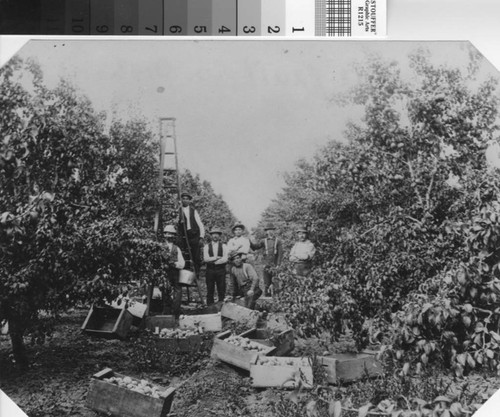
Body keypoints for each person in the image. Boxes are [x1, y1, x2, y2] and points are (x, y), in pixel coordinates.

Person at [251, 222, 283, 296]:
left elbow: (280, 254)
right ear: (266, 231)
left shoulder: (278, 241)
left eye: (271, 230)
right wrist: (249, 242)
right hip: (266, 264)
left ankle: (276, 298)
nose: (270, 231)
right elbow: (255, 247)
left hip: (274, 264)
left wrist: (278, 264)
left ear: (274, 231)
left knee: (275, 281)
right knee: (267, 282)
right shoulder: (263, 241)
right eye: (268, 230)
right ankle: (267, 298)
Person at [177, 192, 205, 275]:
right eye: (183, 199)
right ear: (181, 200)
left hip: (195, 235)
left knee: (196, 256)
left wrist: (201, 237)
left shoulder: (193, 211)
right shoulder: (179, 210)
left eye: (187, 199)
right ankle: (186, 274)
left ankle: (196, 274)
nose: (185, 200)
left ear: (189, 201)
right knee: (185, 255)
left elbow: (200, 224)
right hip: (184, 236)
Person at [162, 224, 186, 317]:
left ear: (174, 236)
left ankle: (176, 312)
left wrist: (174, 264)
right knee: (165, 291)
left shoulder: (177, 248)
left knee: (178, 291)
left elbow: (182, 263)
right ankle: (166, 312)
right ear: (164, 235)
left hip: (175, 272)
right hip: (165, 273)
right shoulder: (160, 247)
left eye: (171, 234)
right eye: (167, 234)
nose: (169, 236)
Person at [203, 227, 228, 305]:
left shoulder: (224, 246)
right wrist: (216, 258)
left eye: (217, 234)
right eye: (213, 234)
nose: (215, 236)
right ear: (211, 235)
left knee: (221, 288)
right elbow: (206, 259)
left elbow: (225, 259)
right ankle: (209, 307)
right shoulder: (206, 246)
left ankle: (221, 306)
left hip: (221, 270)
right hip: (210, 270)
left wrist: (214, 262)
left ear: (219, 236)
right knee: (210, 288)